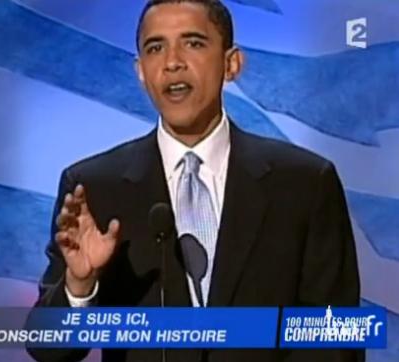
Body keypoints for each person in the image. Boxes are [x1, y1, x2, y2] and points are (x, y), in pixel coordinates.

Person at [27, 0, 362, 361]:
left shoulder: (305, 183)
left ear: (231, 63)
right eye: (156, 48)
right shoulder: (94, 187)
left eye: (193, 43)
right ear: (141, 71)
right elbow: (48, 349)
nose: (172, 62)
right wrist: (81, 285)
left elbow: (335, 340)